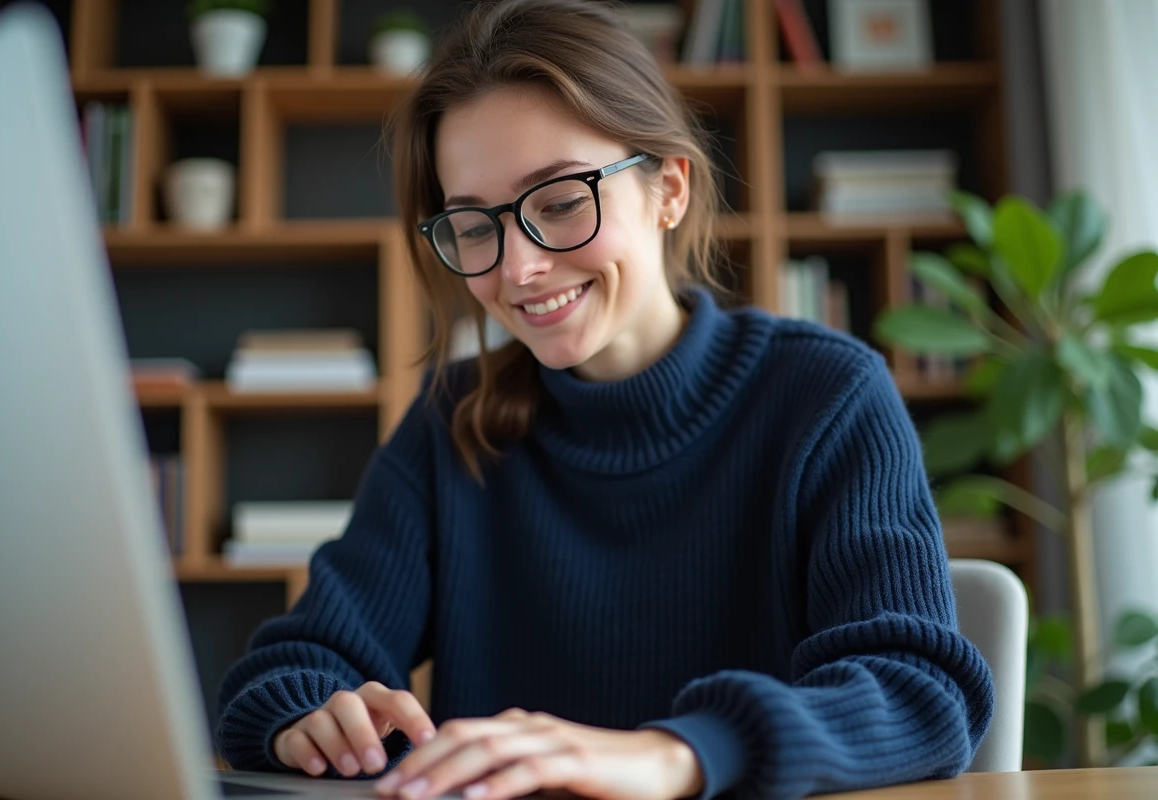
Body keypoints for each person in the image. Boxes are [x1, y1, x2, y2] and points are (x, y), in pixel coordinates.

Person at [215, 0, 995, 798]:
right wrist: (309, 714)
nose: (515, 269)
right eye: (473, 225)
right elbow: (288, 670)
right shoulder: (455, 419)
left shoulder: (825, 396)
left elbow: (918, 692)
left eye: (558, 202)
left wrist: (673, 754)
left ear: (669, 191)